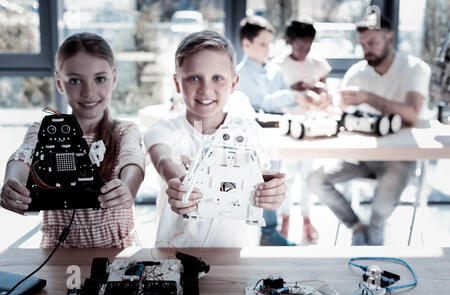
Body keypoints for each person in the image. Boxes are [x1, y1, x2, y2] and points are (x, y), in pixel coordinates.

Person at [0, 33, 146, 248]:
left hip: (118, 249)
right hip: (58, 251)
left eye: (100, 79)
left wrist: (128, 188)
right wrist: (12, 181)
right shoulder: (43, 130)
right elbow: (24, 155)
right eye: (75, 81)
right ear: (60, 82)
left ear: (114, 79)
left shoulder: (124, 130)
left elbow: (133, 158)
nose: (89, 92)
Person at [144, 30, 287, 248]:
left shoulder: (250, 131)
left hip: (235, 256)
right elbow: (164, 160)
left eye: (217, 78)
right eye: (193, 78)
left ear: (233, 83)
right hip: (173, 259)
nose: (206, 89)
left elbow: (261, 177)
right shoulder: (164, 129)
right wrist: (181, 182)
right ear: (177, 83)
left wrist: (273, 191)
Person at [307, 14, 431, 245]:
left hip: (399, 159)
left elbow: (412, 114)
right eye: (362, 44)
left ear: (390, 37)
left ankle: (370, 240)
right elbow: (342, 116)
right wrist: (328, 106)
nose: (366, 50)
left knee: (381, 207)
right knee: (315, 180)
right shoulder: (356, 72)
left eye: (372, 43)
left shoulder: (415, 68)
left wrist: (369, 98)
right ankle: (357, 227)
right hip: (361, 158)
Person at [236, 16, 329, 246]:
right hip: (257, 140)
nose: (268, 49)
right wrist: (295, 95)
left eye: (269, 44)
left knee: (278, 181)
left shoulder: (273, 72)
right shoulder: (241, 74)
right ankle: (268, 233)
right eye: (262, 44)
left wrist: (309, 100)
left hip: (278, 137)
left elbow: (284, 102)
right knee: (265, 183)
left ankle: (272, 231)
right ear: (246, 44)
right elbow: (262, 102)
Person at [275, 19, 333, 244]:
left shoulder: (317, 63)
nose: (305, 50)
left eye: (308, 46)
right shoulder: (279, 64)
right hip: (287, 127)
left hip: (312, 127)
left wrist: (320, 90)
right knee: (286, 177)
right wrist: (293, 89)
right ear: (289, 42)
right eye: (300, 46)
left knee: (309, 176)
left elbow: (327, 92)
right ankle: (285, 219)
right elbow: (272, 96)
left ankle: (307, 219)